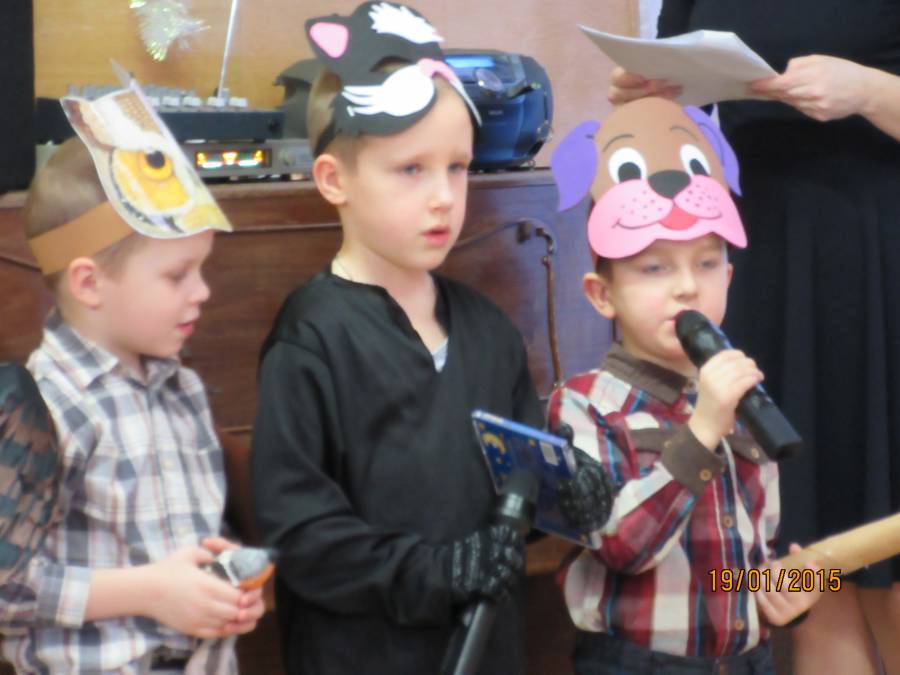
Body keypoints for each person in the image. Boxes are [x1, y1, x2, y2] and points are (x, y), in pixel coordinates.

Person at [249, 3, 543, 674]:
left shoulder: (488, 329)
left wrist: (564, 491)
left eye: (457, 167)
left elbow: (521, 477)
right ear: (335, 179)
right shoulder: (312, 338)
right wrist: (434, 572)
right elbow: (304, 533)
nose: (444, 196)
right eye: (411, 169)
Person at [607, 3, 900, 672]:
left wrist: (868, 91)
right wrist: (649, 95)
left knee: (890, 563)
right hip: (761, 259)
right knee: (807, 566)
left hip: (883, 259)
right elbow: (682, 91)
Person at [547, 97, 823, 674]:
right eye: (655, 268)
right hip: (638, 663)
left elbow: (750, 559)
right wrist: (701, 432)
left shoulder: (742, 397)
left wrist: (788, 593)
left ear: (729, 276)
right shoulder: (582, 404)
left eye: (706, 263)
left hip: (746, 661)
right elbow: (622, 545)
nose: (686, 288)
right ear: (602, 294)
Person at [0, 80, 265, 674]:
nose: (203, 291)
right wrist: (151, 592)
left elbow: (182, 538)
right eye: (177, 275)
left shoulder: (184, 391)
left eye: (202, 269)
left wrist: (221, 585)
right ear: (89, 282)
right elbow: (6, 588)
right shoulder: (47, 409)